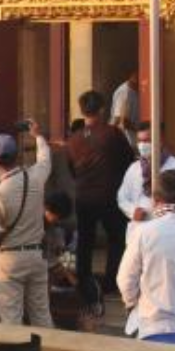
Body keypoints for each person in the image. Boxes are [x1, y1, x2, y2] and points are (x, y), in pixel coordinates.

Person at [118, 169, 175, 344]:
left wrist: (132, 304)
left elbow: (125, 280)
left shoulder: (144, 232)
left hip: (154, 328)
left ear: (155, 200)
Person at [0, 127, 53, 327]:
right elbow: (45, 159)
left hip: (9, 260)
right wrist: (38, 136)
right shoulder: (36, 178)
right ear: (17, 156)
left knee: (11, 319)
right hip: (36, 255)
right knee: (42, 316)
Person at [68, 91, 134, 294]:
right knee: (116, 238)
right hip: (110, 194)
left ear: (82, 110)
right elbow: (128, 160)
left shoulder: (75, 139)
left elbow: (72, 169)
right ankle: (110, 282)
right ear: (103, 109)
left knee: (85, 241)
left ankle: (83, 280)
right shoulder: (113, 133)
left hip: (83, 195)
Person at [117, 122, 175, 243]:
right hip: (137, 231)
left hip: (166, 234)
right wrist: (133, 211)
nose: (142, 145)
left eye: (147, 140)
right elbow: (122, 196)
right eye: (139, 141)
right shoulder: (134, 168)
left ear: (160, 140)